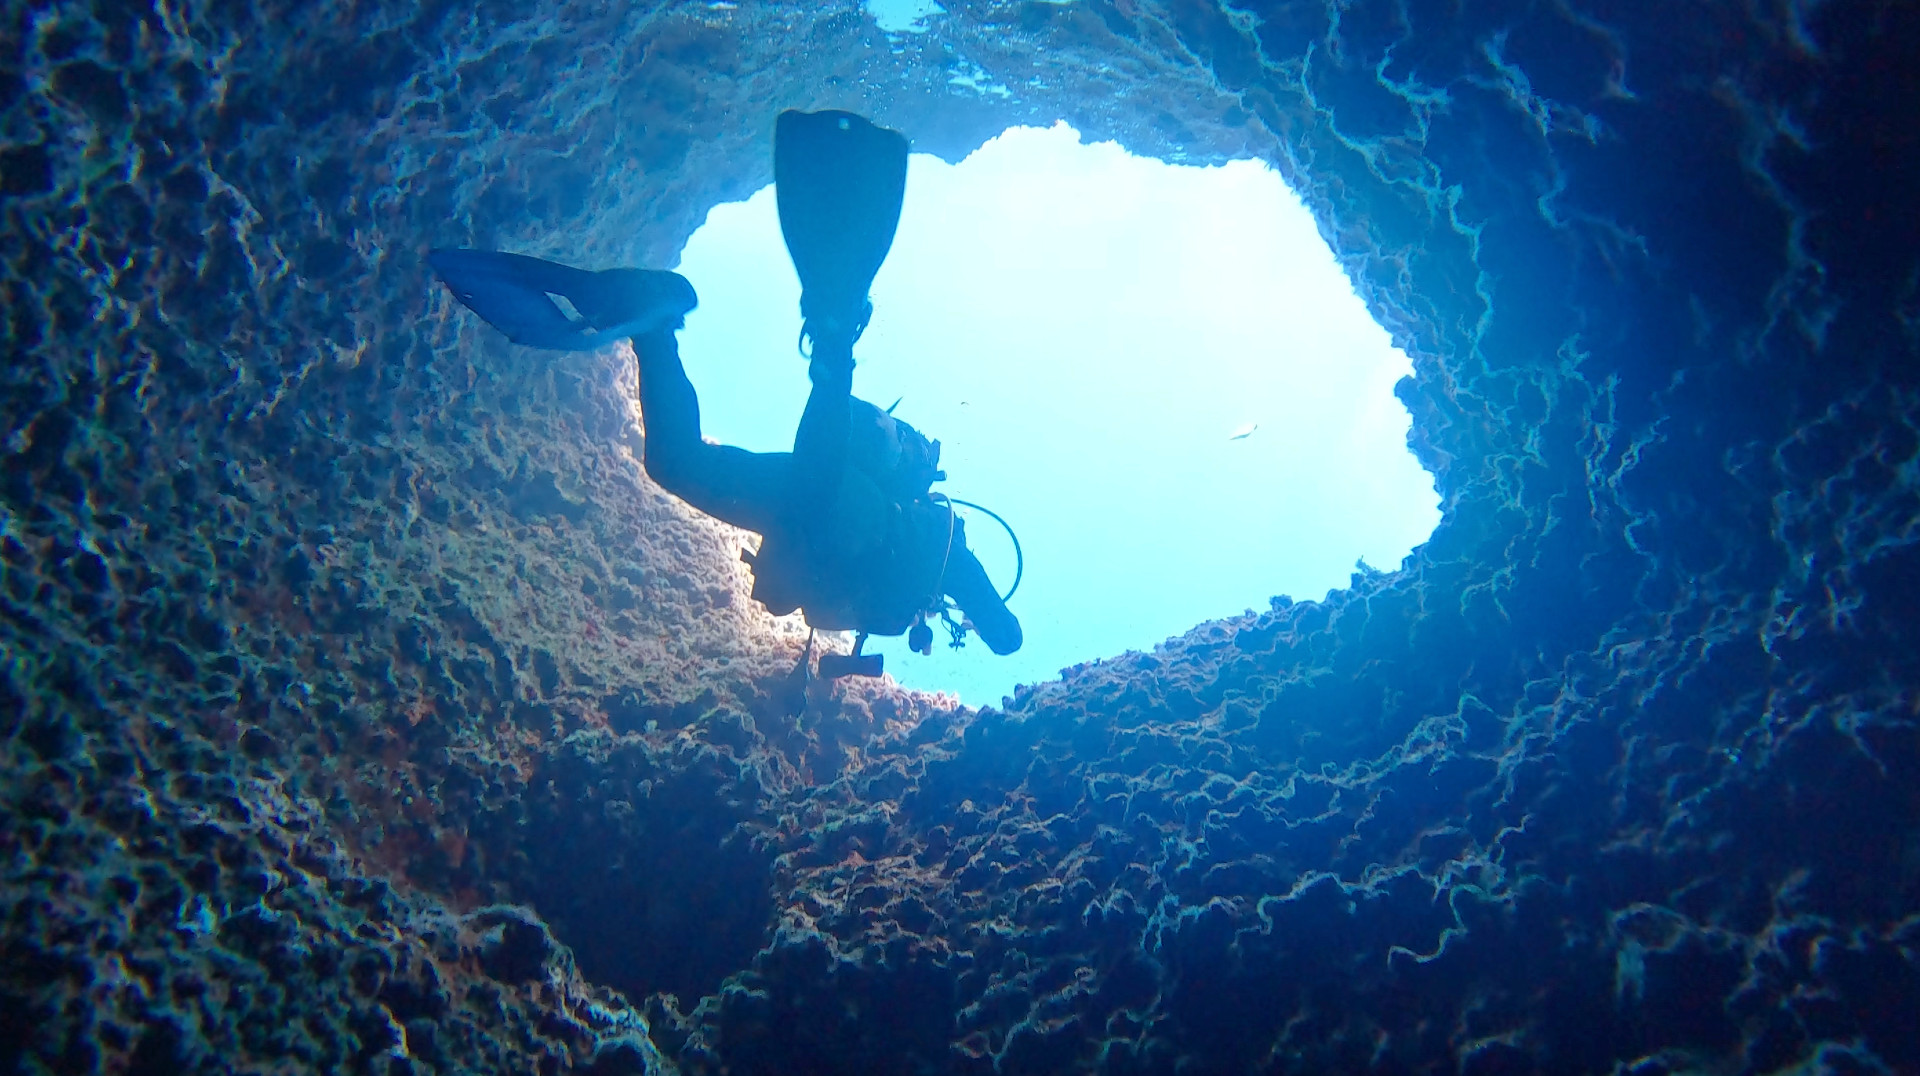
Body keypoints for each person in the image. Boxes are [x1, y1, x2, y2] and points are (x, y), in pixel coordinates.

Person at [430, 110, 1022, 679]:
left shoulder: (918, 561)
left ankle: (656, 326)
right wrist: (974, 607)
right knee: (803, 473)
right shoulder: (943, 556)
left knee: (675, 462)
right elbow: (1007, 637)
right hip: (825, 505)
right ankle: (833, 333)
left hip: (798, 508)